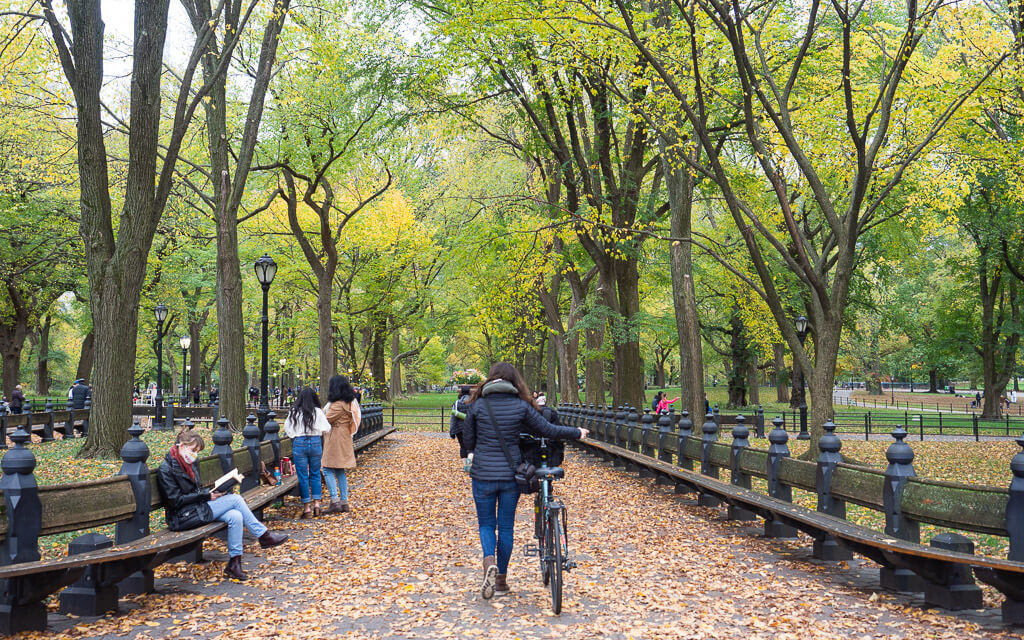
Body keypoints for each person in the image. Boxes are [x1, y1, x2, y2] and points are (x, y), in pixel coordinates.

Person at [463, 362, 588, 600]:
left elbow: (468, 441)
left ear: (491, 380)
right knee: (506, 526)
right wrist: (577, 432)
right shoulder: (521, 406)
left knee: (486, 525)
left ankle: (489, 560)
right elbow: (548, 429)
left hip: (482, 475)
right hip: (511, 475)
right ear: (514, 382)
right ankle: (500, 581)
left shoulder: (477, 406)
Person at [156, 429, 288, 580]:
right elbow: (175, 501)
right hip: (182, 517)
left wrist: (214, 492)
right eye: (193, 450)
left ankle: (234, 563)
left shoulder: (189, 463)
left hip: (196, 509)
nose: (195, 454)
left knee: (235, 516)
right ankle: (263, 536)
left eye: (197, 451)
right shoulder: (166, 469)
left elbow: (195, 490)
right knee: (236, 500)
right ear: (181, 445)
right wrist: (206, 495)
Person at [283, 387, 331, 518]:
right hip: (315, 442)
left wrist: (295, 435)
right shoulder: (318, 412)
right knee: (315, 474)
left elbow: (287, 428)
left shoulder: (294, 411)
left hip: (300, 442)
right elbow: (327, 428)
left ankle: (307, 508)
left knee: (303, 476)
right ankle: (317, 504)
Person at [323, 375, 361, 514]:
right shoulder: (349, 402)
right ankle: (344, 502)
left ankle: (334, 501)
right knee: (339, 470)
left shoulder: (338, 404)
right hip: (343, 436)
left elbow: (326, 419)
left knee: (327, 469)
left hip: (336, 438)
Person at [449, 385, 473, 472]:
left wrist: (452, 431)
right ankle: (470, 461)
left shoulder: (456, 403)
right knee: (471, 446)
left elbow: (453, 418)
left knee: (462, 446)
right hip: (471, 428)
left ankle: (465, 465)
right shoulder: (474, 402)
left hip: (459, 429)